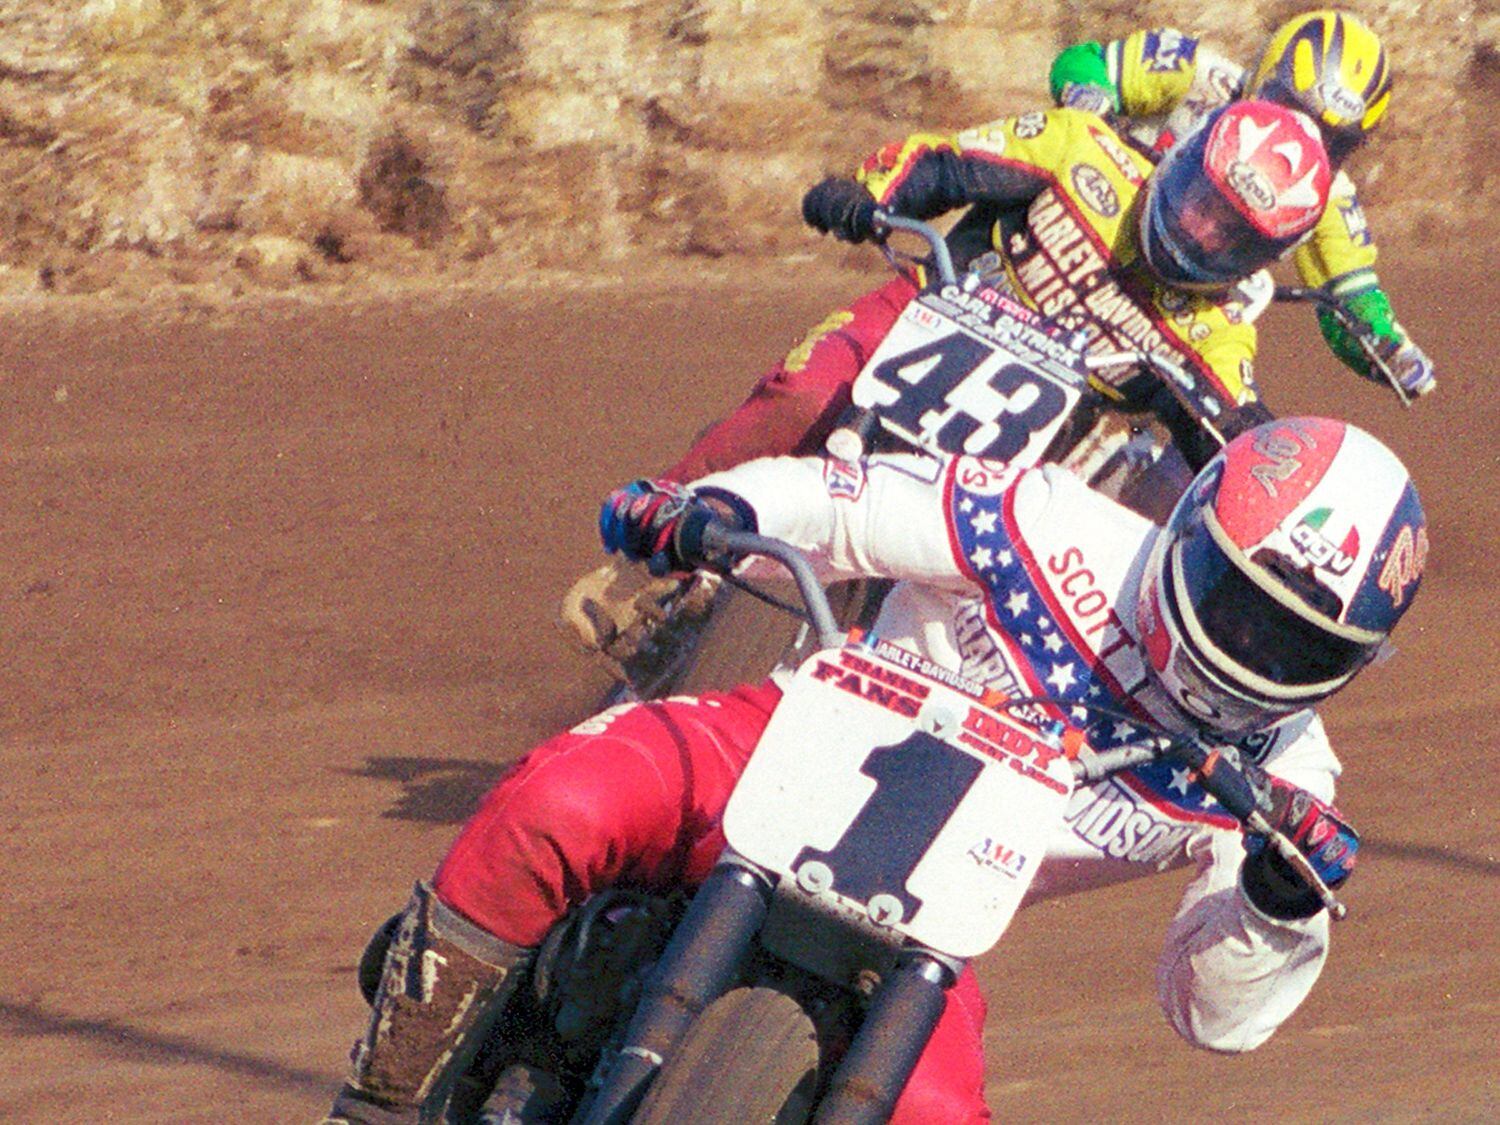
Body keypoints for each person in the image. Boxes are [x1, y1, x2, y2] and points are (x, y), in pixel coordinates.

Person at [324, 413, 1428, 1123]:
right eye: (1238, 602)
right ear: (1190, 530)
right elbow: (854, 506)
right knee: (562, 799)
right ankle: (380, 1100)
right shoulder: (1049, 523)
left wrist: (1277, 906)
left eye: (1301, 644)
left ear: (1351, 662)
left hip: (925, 944)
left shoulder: (1288, 780)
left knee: (942, 1113)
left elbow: (1212, 1013)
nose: (1252, 647)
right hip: (769, 750)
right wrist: (719, 512)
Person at [563, 97, 1332, 668]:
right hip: (924, 308)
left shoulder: (1216, 330)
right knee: (803, 396)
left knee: (979, 583)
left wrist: (1276, 509)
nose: (1199, 230)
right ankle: (640, 554)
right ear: (1183, 158)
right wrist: (870, 195)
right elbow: (941, 161)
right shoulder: (1084, 151)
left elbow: (1238, 436)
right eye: (1200, 201)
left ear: (1260, 259)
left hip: (1022, 440)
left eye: (1230, 233)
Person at [1049, 10, 1435, 399]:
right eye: (1291, 108)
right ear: (1264, 75)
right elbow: (1085, 61)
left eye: (1330, 139)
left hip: (1171, 312)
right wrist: (1089, 97)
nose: (1296, 136)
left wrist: (1392, 350)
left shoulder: (1328, 195)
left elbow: (1351, 292)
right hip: (1075, 222)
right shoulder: (1198, 75)